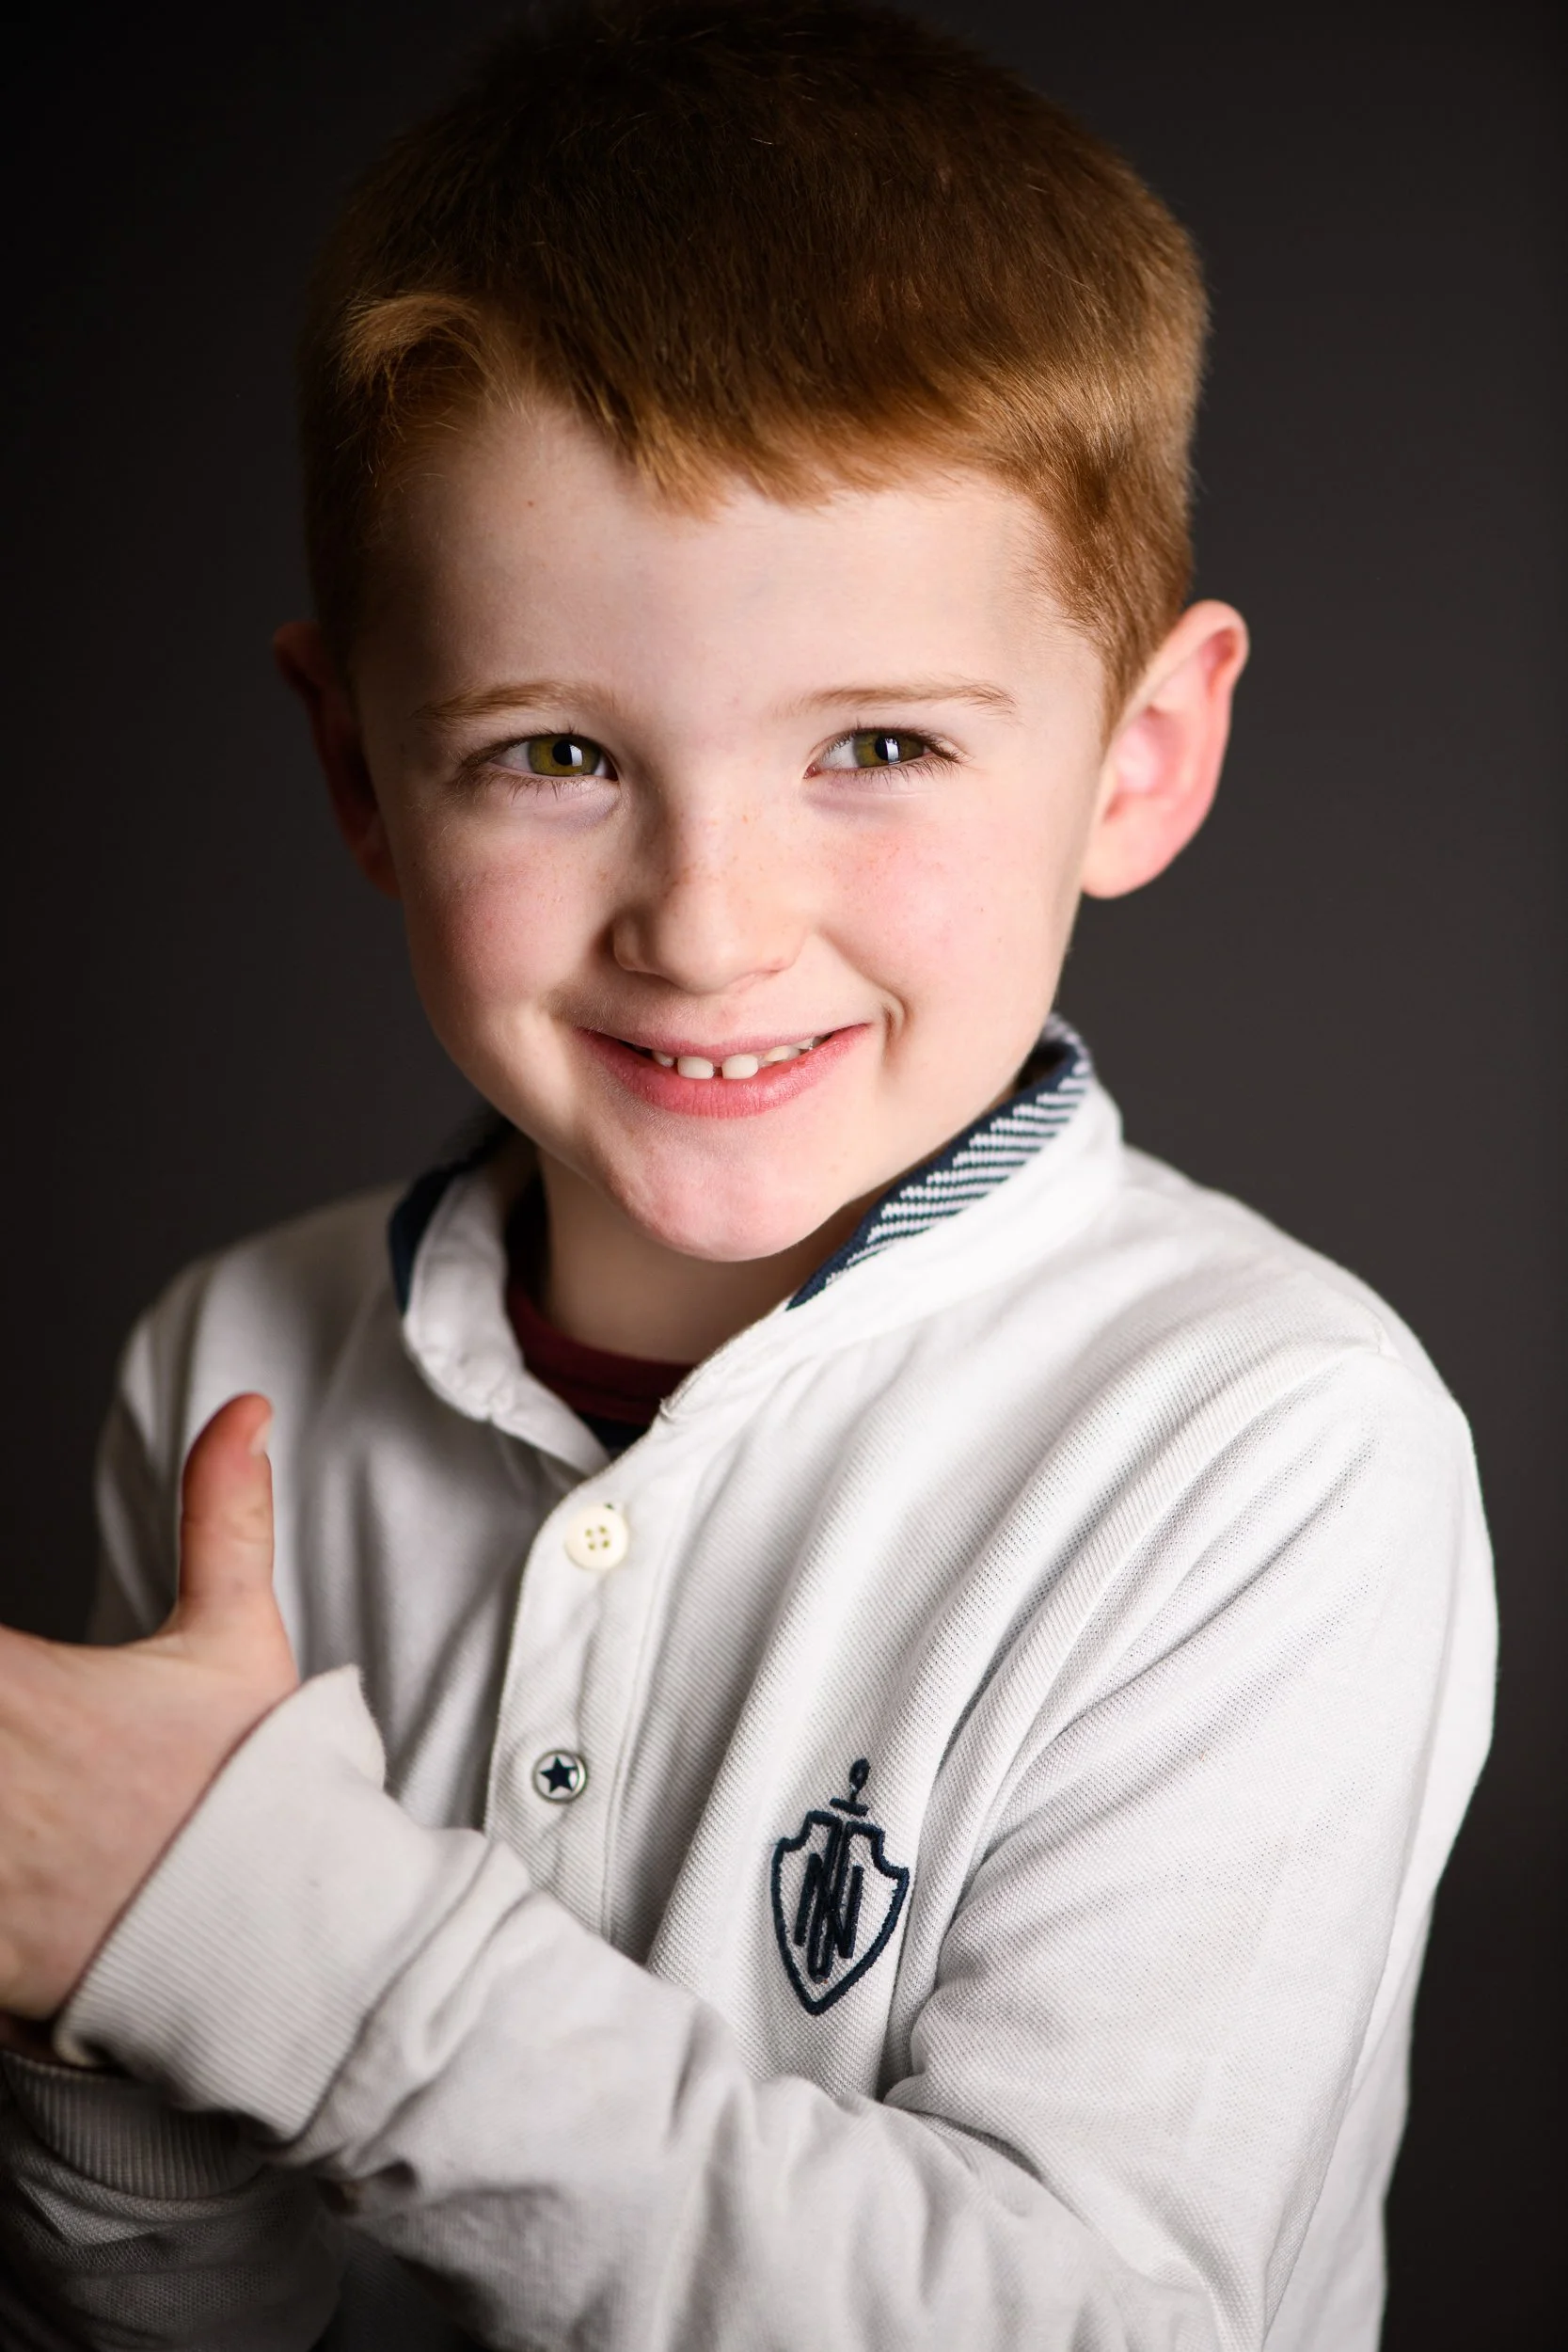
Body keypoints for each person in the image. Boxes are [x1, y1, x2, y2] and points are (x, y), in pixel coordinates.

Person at [0, 3, 1495, 2347]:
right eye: (557, 750)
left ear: (1141, 755)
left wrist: (259, 1919)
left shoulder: (1269, 1442)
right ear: (361, 770)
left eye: (877, 743)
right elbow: (177, 2312)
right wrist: (110, 2005)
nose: (705, 920)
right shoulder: (229, 1374)